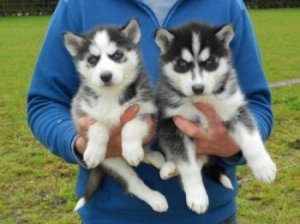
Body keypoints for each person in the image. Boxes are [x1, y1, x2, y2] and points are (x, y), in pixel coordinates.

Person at [27, 0, 273, 223]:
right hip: (113, 216)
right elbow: (44, 102)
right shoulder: (77, 5)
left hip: (212, 215)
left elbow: (257, 104)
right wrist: (78, 143)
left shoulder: (228, 5)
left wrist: (235, 146)